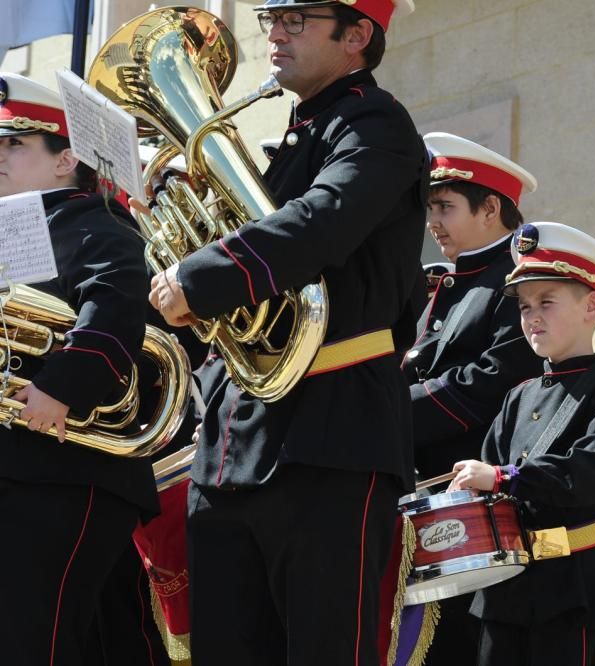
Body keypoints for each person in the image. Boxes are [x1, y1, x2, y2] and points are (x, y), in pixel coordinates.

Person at [146, 1, 428, 663]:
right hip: (230, 449)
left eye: (297, 19)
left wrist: (203, 272)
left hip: (332, 439)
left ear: (357, 34)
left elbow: (324, 219)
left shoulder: (376, 124)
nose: (274, 31)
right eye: (272, 16)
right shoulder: (293, 140)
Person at [0, 73, 156, 666]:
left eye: (15, 144)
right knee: (109, 643)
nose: (0, 156)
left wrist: (60, 386)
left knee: (30, 640)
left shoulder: (95, 223)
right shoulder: (9, 230)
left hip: (68, 469)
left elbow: (114, 306)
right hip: (28, 468)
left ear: (66, 158)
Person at [449, 222, 595, 666]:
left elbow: (586, 473)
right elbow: (486, 484)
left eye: (546, 302)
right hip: (504, 591)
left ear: (592, 306)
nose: (531, 317)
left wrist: (502, 477)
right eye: (524, 307)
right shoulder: (518, 396)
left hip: (571, 590)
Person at [401, 132, 544, 663]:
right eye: (430, 207)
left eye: (445, 206)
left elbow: (487, 384)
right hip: (423, 502)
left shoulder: (517, 282)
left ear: (490, 209)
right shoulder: (440, 283)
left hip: (476, 512)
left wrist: (385, 414)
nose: (433, 221)